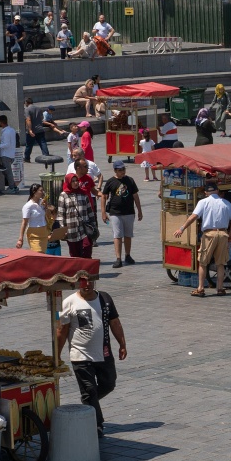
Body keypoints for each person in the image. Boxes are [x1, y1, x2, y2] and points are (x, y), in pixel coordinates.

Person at [56, 274, 125, 432]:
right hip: (80, 354)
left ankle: (88, 402)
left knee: (109, 384)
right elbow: (62, 331)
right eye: (82, 281)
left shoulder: (105, 298)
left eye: (89, 281)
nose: (86, 285)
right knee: (89, 389)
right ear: (76, 282)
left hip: (103, 353)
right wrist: (57, 355)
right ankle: (97, 425)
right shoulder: (69, 303)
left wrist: (122, 344)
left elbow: (115, 322)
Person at [187, 183, 231, 297]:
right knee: (221, 263)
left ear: (205, 192)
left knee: (203, 262)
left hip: (209, 234)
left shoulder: (203, 202)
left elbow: (194, 216)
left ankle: (200, 288)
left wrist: (182, 228)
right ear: (217, 191)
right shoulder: (226, 203)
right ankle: (220, 288)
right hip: (223, 233)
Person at [102, 158, 142, 267]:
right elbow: (104, 197)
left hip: (129, 211)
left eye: (123, 169)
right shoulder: (110, 181)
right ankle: (118, 258)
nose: (123, 171)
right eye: (120, 170)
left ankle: (127, 255)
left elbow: (135, 195)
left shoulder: (130, 180)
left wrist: (139, 210)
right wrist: (103, 213)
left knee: (128, 235)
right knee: (118, 235)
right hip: (115, 212)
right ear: (115, 170)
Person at [57, 156, 99, 259]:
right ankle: (78, 274)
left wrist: (93, 226)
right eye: (73, 181)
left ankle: (87, 273)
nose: (76, 183)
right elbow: (61, 214)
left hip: (84, 229)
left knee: (87, 248)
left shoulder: (83, 194)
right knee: (75, 255)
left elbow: (90, 211)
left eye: (77, 181)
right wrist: (63, 229)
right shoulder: (64, 195)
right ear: (69, 182)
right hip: (71, 231)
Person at [17, 183, 52, 251]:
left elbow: (48, 215)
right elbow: (24, 222)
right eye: (41, 191)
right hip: (34, 234)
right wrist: (20, 238)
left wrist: (46, 207)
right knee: (38, 254)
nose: (43, 192)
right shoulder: (28, 206)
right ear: (34, 192)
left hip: (44, 233)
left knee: (43, 255)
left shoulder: (42, 202)